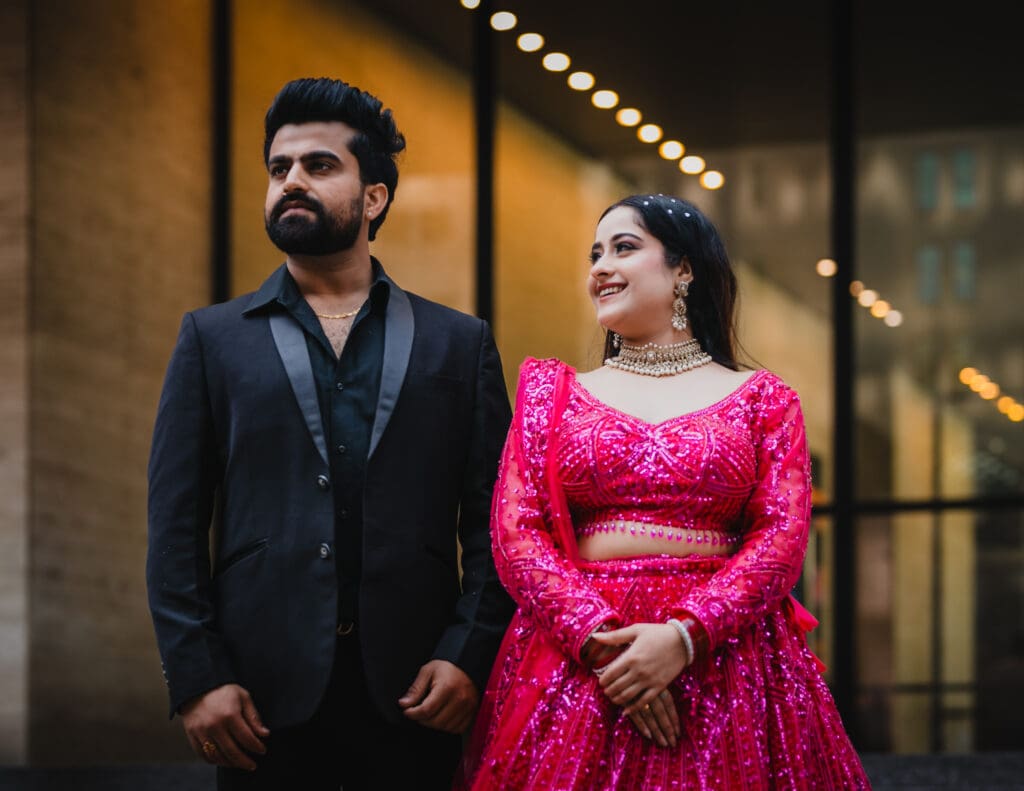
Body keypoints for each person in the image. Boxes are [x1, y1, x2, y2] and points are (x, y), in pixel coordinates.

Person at [146, 77, 514, 790]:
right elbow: (175, 523)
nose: (291, 182)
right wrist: (196, 674)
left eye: (319, 166)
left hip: (418, 693)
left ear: (373, 196)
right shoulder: (211, 339)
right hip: (257, 701)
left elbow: (498, 521)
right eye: (279, 168)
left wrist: (471, 652)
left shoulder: (458, 344)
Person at [458, 194, 871, 789]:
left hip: (729, 663)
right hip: (579, 660)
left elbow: (780, 540)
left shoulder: (764, 400)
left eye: (624, 248)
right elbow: (516, 534)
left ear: (685, 269)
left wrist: (684, 637)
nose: (600, 267)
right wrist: (604, 647)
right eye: (594, 254)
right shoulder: (552, 394)